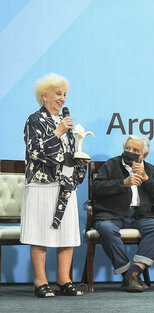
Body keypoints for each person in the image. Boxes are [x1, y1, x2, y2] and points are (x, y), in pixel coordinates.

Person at [21, 73, 88, 297]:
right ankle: (40, 281)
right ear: (44, 96)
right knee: (40, 233)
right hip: (42, 185)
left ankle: (64, 280)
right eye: (58, 94)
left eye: (65, 94)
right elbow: (36, 151)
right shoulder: (34, 120)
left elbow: (67, 154)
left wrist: (79, 161)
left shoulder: (66, 123)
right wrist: (58, 132)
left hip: (65, 185)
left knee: (67, 234)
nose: (62, 99)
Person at [92, 135, 154, 292]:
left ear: (144, 155)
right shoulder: (111, 164)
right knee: (106, 228)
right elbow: (96, 189)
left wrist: (146, 179)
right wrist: (123, 183)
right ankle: (129, 275)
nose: (130, 152)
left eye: (135, 150)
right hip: (112, 214)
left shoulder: (150, 169)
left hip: (141, 215)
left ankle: (133, 272)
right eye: (127, 148)